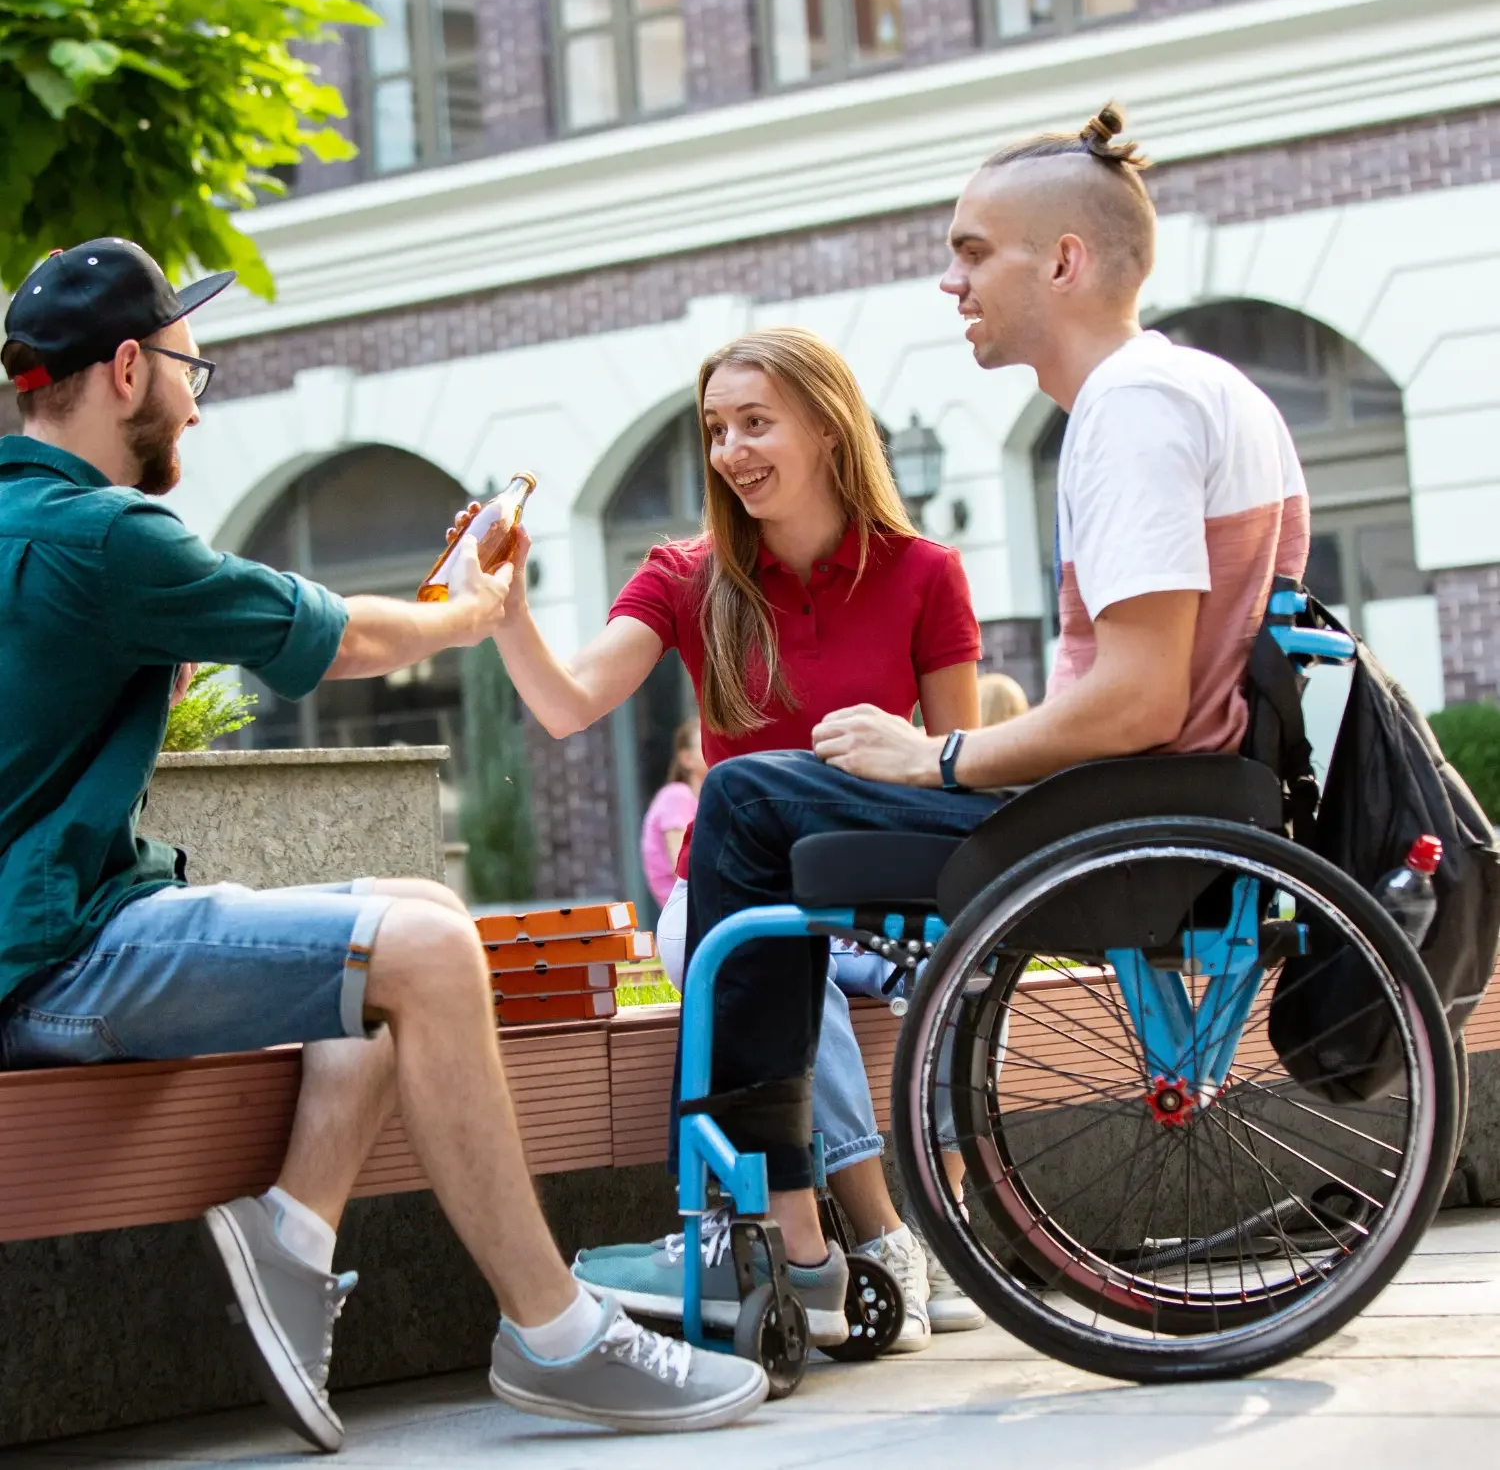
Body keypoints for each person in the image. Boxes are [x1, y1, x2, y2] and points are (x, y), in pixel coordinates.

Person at [0, 240, 768, 1453]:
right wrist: (473, 608)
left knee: (409, 909)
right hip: (56, 959)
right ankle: (554, 1330)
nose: (201, 398)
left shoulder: (25, 524)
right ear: (130, 370)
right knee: (420, 947)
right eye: (196, 369)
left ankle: (293, 1240)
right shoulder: (109, 536)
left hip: (46, 938)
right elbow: (343, 639)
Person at [625, 104, 1311, 1304]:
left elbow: (1141, 698)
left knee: (738, 802)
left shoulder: (1131, 409)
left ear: (1064, 260)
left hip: (1130, 816)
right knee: (760, 808)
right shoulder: (1202, 386)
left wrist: (938, 755)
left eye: (973, 251)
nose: (951, 281)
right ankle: (788, 1228)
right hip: (1182, 805)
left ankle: (766, 1231)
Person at [475, 326, 983, 1351]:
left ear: (829, 430)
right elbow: (570, 706)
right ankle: (879, 1240)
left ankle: (912, 1230)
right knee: (739, 947)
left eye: (756, 424)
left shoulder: (925, 573)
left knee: (946, 971)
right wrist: (507, 611)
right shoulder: (684, 576)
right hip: (744, 895)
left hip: (880, 892)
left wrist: (911, 749)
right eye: (716, 429)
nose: (730, 452)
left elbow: (956, 781)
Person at [640, 719, 707, 909]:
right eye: (705, 743)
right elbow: (681, 866)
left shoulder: (695, 800)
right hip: (687, 911)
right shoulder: (678, 795)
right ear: (686, 758)